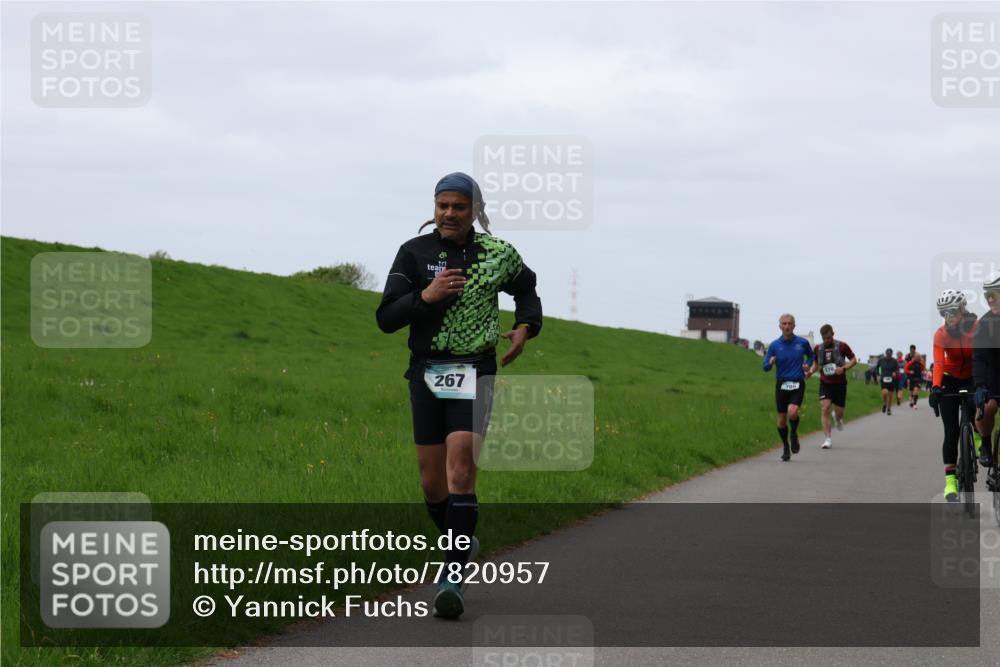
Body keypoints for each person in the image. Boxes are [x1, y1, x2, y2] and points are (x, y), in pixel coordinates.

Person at [376, 172, 543, 618]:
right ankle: (463, 539)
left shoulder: (497, 254)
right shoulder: (414, 253)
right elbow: (387, 318)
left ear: (475, 211)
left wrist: (526, 326)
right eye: (442, 205)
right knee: (432, 484)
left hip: (475, 369)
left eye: (459, 207)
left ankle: (452, 576)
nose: (449, 214)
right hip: (426, 371)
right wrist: (425, 297)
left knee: (461, 469)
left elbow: (526, 288)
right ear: (433, 208)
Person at [928, 289, 981, 501]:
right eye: (943, 313)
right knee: (951, 431)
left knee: (976, 407)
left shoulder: (977, 329)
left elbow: (982, 358)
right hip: (950, 377)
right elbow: (939, 363)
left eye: (951, 311)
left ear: (962, 309)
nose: (948, 317)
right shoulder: (941, 334)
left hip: (973, 374)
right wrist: (935, 387)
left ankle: (977, 434)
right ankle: (950, 482)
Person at [763, 314, 816, 461]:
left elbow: (812, 357)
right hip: (782, 383)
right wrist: (771, 362)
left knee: (792, 411)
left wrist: (807, 365)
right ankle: (785, 446)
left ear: (794, 326)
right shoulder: (774, 345)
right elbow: (765, 366)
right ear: (780, 326)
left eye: (789, 323)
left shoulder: (802, 343)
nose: (787, 326)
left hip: (797, 382)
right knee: (781, 420)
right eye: (784, 324)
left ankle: (793, 434)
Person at [809, 324, 857, 449]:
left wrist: (844, 368)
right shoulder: (818, 348)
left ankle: (838, 418)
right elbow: (815, 364)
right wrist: (809, 372)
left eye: (829, 338)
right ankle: (828, 439)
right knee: (825, 408)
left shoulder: (842, 346)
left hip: (840, 384)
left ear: (833, 334)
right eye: (824, 338)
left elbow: (853, 360)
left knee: (839, 413)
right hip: (825, 383)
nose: (827, 341)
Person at [973, 274, 1000, 473]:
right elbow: (979, 358)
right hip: (993, 373)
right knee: (986, 408)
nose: (990, 299)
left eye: (994, 294)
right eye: (987, 295)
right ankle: (985, 444)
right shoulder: (984, 324)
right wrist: (980, 385)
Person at [876, 348, 900, 415]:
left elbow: (897, 369)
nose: (888, 355)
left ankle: (889, 409)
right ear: (885, 353)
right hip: (883, 378)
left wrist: (895, 372)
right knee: (884, 393)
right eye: (887, 354)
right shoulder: (881, 360)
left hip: (892, 379)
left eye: (890, 354)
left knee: (890, 395)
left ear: (892, 354)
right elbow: (878, 368)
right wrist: (878, 375)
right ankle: (884, 404)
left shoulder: (894, 361)